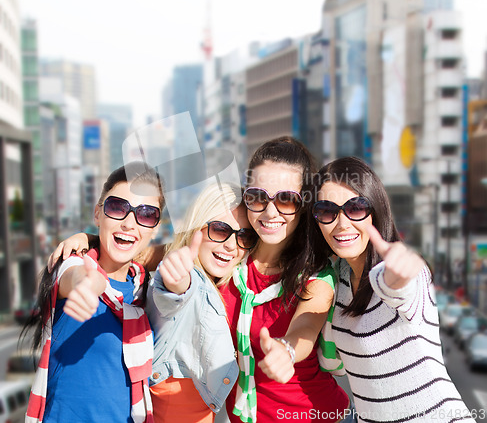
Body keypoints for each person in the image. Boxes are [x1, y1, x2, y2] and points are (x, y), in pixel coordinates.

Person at [310, 156, 474, 422]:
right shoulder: (334, 283)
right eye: (327, 211)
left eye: (356, 207)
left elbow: (399, 286)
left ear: (376, 209)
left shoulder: (397, 273)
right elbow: (333, 363)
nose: (341, 224)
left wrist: (398, 274)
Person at [221, 137, 351, 423]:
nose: (270, 212)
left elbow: (306, 324)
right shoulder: (229, 255)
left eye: (286, 199)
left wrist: (287, 350)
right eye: (257, 197)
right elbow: (165, 250)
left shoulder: (316, 275)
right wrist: (96, 242)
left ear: (304, 205)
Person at [24, 162, 163, 423]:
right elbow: (75, 275)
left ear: (155, 227)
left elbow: (188, 247)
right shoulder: (73, 264)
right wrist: (89, 284)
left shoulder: (143, 290)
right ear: (98, 213)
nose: (129, 223)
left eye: (146, 214)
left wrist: (89, 237)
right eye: (117, 207)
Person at [145, 183, 258, 423]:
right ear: (196, 226)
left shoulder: (231, 285)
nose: (231, 245)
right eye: (219, 230)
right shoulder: (191, 279)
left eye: (244, 236)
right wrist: (177, 280)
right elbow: (175, 295)